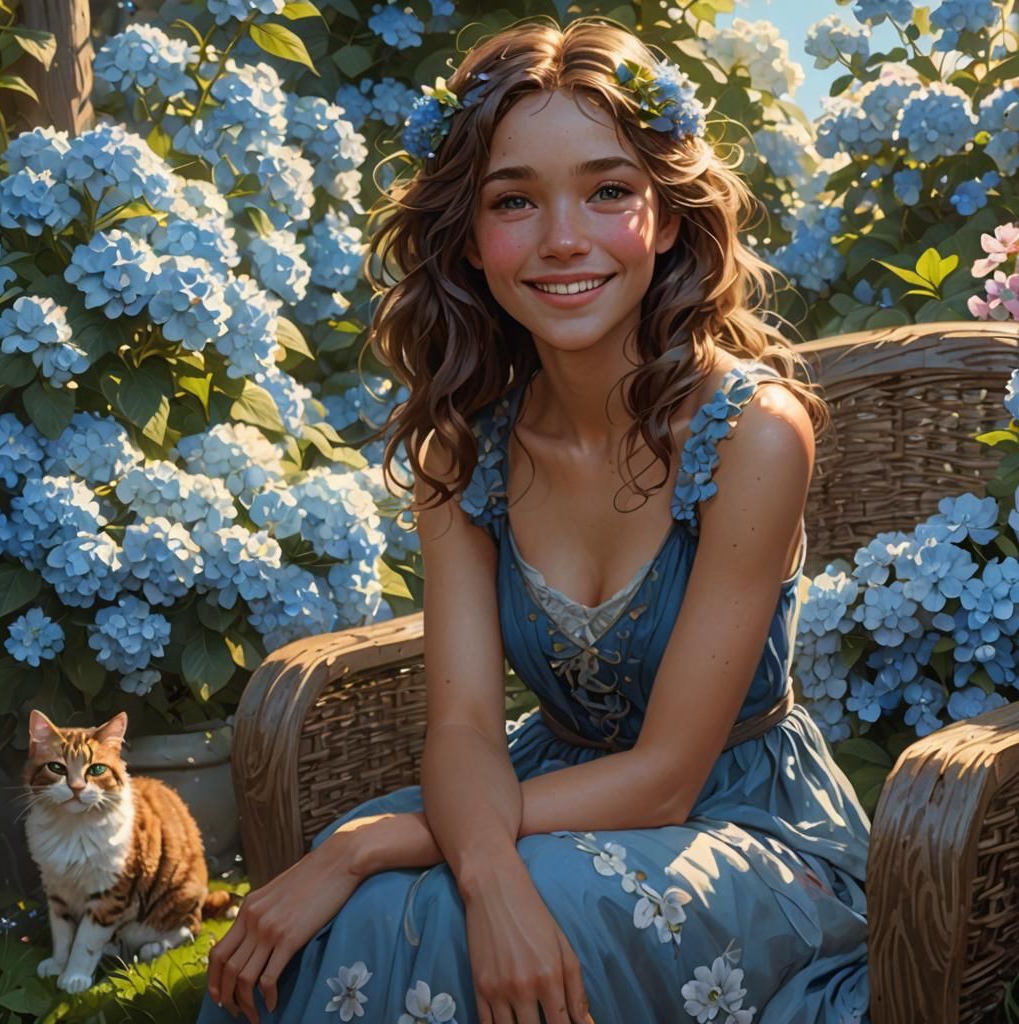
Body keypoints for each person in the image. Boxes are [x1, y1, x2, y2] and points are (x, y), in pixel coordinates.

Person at [198, 16, 871, 1024]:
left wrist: (370, 838)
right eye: (515, 200)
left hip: (735, 820)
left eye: (608, 191)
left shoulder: (753, 436)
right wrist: (481, 869)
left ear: (669, 216)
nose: (563, 238)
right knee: (365, 920)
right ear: (469, 240)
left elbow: (663, 781)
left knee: (417, 900)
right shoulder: (463, 448)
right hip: (530, 787)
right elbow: (464, 723)